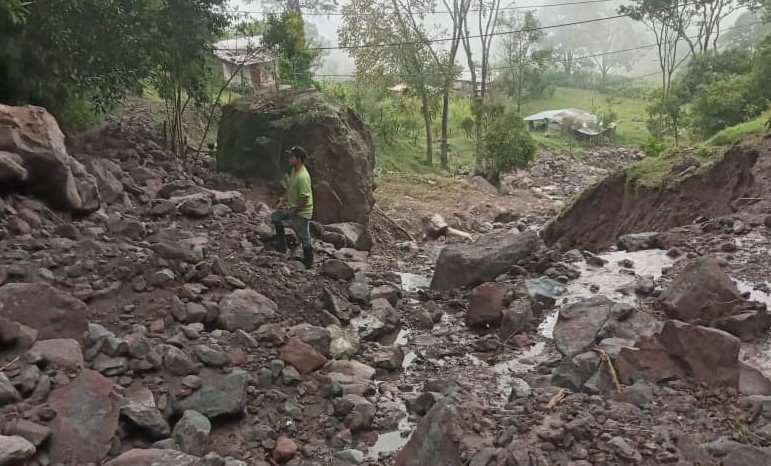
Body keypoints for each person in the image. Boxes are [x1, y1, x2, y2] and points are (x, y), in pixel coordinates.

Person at [271, 145, 314, 268]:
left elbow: (305, 199)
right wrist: (282, 202)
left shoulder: (303, 177)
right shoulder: (295, 170)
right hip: (292, 207)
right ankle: (281, 245)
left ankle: (309, 262)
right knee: (276, 217)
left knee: (305, 236)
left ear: (298, 159)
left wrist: (294, 212)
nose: (289, 158)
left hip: (301, 211)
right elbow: (289, 188)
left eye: (292, 157)